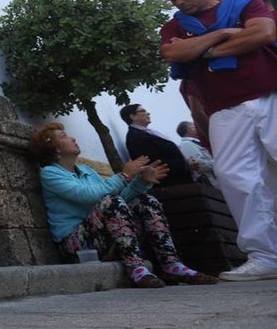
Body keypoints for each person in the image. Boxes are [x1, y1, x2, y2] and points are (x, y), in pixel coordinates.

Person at [160, 0, 277, 281]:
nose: (179, 2)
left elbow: (264, 33)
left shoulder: (247, 4)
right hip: (223, 108)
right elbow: (173, 52)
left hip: (270, 94)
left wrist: (203, 52)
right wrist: (223, 36)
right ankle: (265, 255)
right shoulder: (174, 26)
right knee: (234, 175)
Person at [28, 123, 217, 288]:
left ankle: (171, 264)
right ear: (54, 149)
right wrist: (124, 175)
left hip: (101, 234)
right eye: (64, 137)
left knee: (146, 200)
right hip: (76, 245)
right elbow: (87, 196)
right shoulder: (50, 173)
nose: (73, 138)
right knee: (110, 201)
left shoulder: (86, 171)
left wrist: (141, 182)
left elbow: (119, 199)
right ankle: (136, 267)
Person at [119, 103, 190, 187]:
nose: (148, 113)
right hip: (169, 184)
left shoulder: (147, 133)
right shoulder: (136, 137)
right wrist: (185, 165)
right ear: (132, 116)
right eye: (142, 111)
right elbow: (153, 162)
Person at [176, 121, 218, 189]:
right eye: (196, 127)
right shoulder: (186, 144)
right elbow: (199, 165)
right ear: (190, 130)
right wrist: (219, 163)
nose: (199, 129)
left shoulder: (195, 143)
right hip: (209, 185)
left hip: (215, 183)